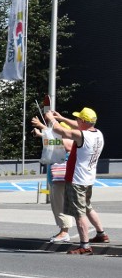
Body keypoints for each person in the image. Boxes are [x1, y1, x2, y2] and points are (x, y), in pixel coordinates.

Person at [40, 108, 108, 254]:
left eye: (78, 119)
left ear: (83, 121)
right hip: (88, 178)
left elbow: (60, 130)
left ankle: (84, 245)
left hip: (77, 179)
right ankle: (101, 234)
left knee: (79, 213)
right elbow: (78, 127)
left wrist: (51, 118)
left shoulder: (81, 136)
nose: (76, 121)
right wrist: (62, 118)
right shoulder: (98, 133)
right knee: (88, 207)